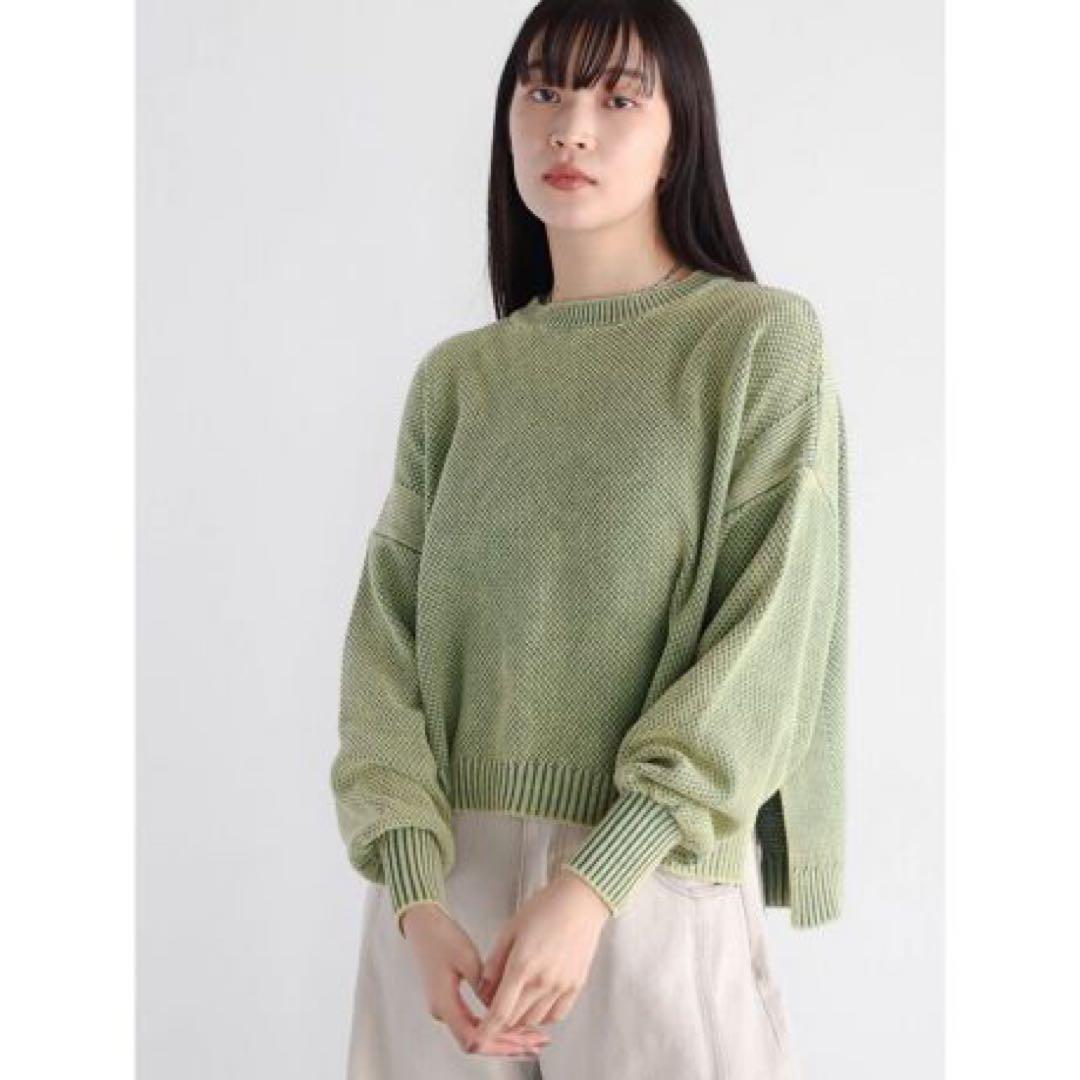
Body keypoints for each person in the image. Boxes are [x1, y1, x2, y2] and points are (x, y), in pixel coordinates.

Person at [330, 1, 849, 1076]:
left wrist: (592, 884)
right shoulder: (458, 380)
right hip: (440, 913)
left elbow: (769, 644)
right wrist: (416, 899)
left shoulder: (756, 344)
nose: (570, 127)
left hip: (648, 888)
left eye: (619, 98)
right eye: (543, 90)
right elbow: (383, 645)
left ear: (679, 137)